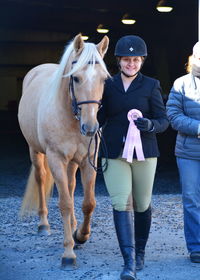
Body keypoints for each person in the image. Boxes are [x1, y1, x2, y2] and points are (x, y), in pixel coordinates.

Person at [97, 35, 169, 280]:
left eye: (135, 59)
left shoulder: (151, 85)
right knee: (120, 203)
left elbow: (164, 120)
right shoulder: (107, 84)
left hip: (145, 152)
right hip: (114, 152)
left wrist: (150, 124)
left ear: (142, 61)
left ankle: (140, 252)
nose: (131, 64)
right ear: (118, 61)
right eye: (127, 60)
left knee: (142, 203)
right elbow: (99, 117)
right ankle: (128, 262)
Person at [166, 42, 200, 263]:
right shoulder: (181, 84)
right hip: (189, 153)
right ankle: (196, 247)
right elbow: (173, 114)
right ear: (194, 58)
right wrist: (198, 128)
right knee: (191, 199)